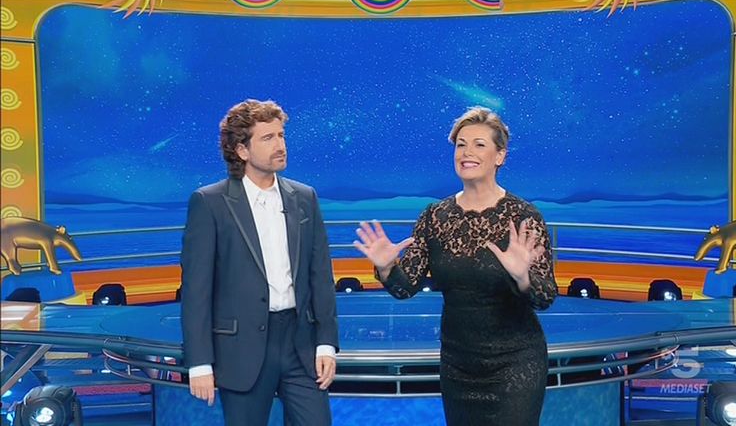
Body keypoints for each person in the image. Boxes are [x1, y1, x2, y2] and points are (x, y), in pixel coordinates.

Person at [353, 107, 558, 425]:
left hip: (516, 362)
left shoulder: (523, 217)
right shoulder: (434, 216)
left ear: (499, 156)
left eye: (479, 144)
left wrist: (522, 277)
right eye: (461, 145)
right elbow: (405, 288)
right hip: (458, 365)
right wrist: (386, 267)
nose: (466, 152)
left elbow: (545, 297)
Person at [181, 99, 339, 426]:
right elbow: (197, 290)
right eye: (268, 138)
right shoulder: (210, 203)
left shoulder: (304, 197)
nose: (280, 145)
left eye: (281, 135)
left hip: (300, 345)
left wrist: (326, 343)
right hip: (241, 350)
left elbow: (320, 275)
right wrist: (199, 362)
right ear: (242, 150)